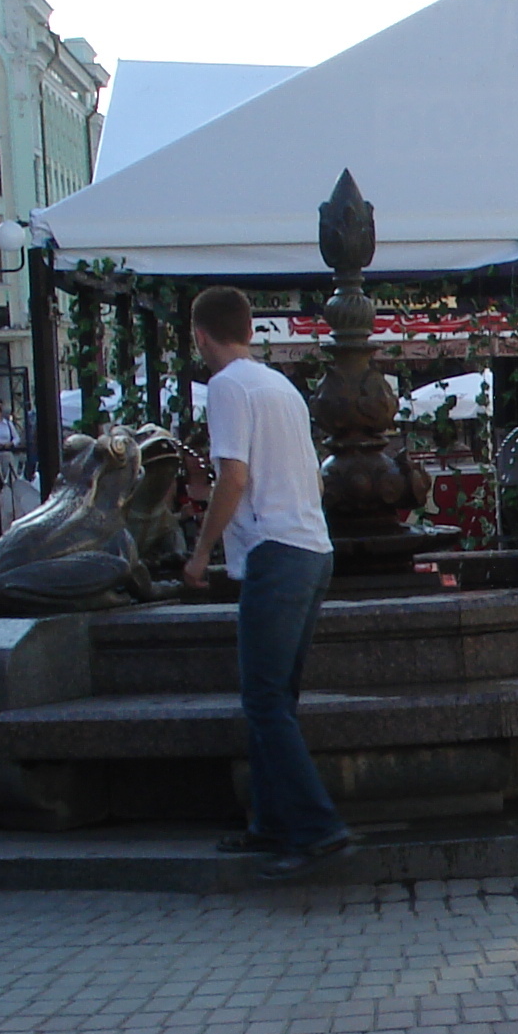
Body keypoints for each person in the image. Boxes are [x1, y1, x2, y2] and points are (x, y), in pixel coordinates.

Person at [179, 286, 351, 881]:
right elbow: (312, 476)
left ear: (201, 335)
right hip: (312, 549)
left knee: (263, 700)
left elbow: (233, 477)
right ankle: (269, 824)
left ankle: (316, 825)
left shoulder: (226, 387)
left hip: (275, 554)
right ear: (249, 330)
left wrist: (200, 555)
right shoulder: (281, 386)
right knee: (276, 699)